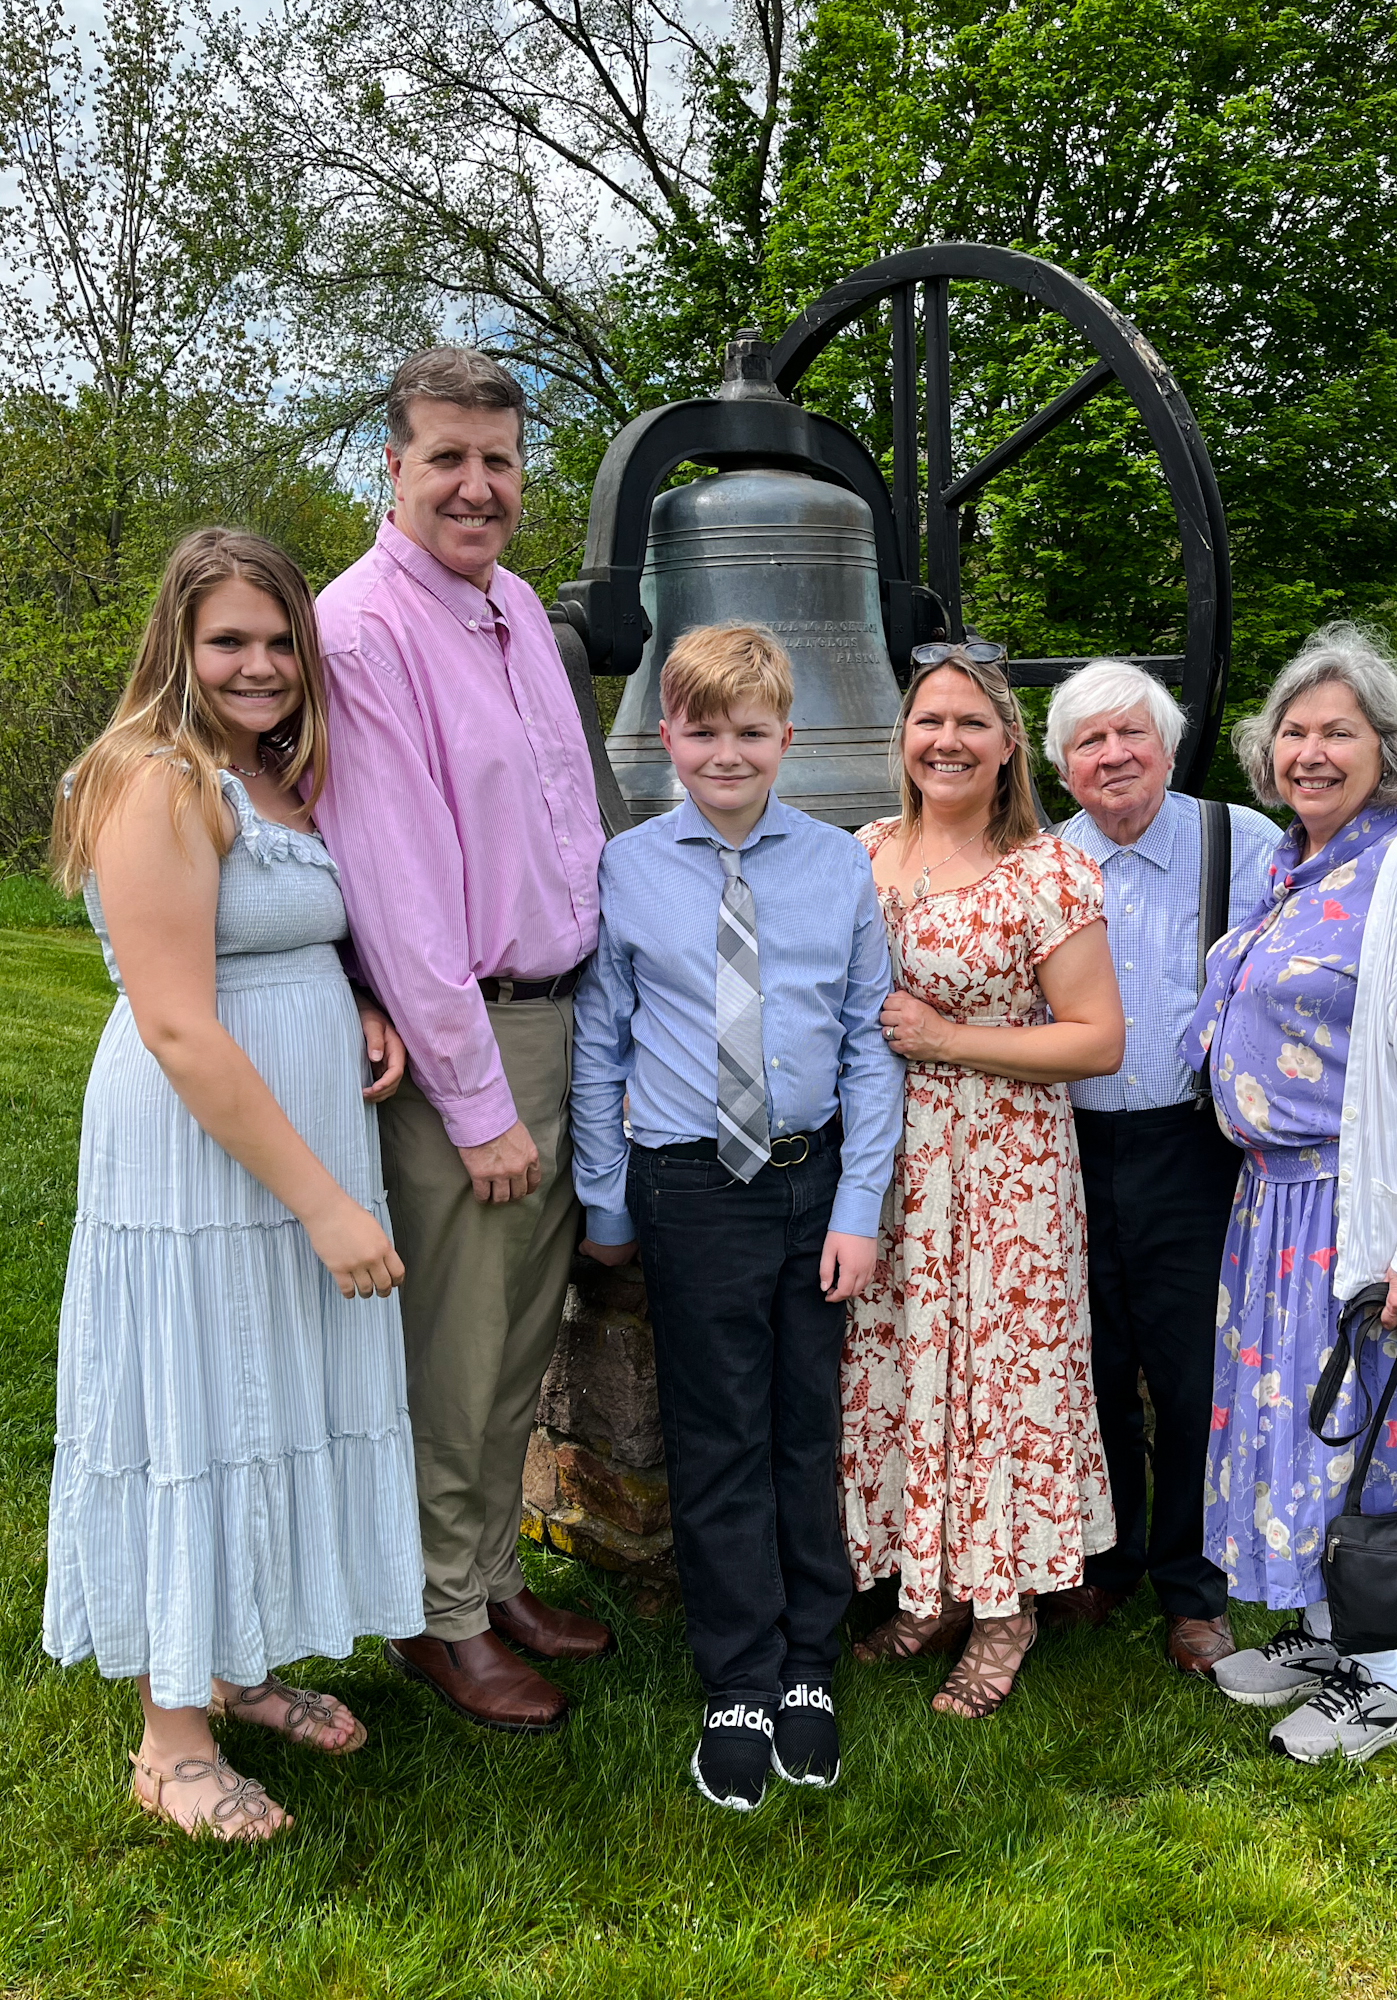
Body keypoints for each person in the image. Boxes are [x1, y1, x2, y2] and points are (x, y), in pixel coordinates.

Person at [44, 528, 425, 1841]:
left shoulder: (265, 775)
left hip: (291, 1127)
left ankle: (230, 1659)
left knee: (267, 1396)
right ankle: (170, 1740)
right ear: (177, 646)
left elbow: (276, 940)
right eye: (230, 642)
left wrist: (362, 1001)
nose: (259, 665)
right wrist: (326, 1202)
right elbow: (181, 1027)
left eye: (279, 642)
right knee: (196, 1410)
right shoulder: (154, 780)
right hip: (205, 1160)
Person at [313, 347, 611, 1736]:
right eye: (445, 458)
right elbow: (400, 889)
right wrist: (477, 1099)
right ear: (392, 465)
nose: (476, 486)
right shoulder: (362, 631)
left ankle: (488, 1575)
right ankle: (435, 1619)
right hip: (466, 1046)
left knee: (514, 1349)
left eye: (496, 460)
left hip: (556, 1022)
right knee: (456, 1347)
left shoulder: (515, 613)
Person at [571, 623, 903, 1811]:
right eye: (701, 728)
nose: (725, 750)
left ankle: (808, 1662)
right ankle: (737, 1679)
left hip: (811, 1185)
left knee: (804, 1432)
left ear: (785, 739)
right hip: (687, 1186)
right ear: (666, 736)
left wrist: (859, 1203)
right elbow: (600, 1036)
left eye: (748, 730)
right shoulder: (627, 870)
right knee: (716, 1440)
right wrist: (605, 1199)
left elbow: (870, 1042)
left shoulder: (835, 867)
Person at [1183, 622, 1397, 1763]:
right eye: (1293, 729)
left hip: (1363, 1210)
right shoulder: (1297, 860)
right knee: (1299, 1435)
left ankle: (1379, 1681)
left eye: (1339, 731)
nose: (1310, 749)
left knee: (1370, 1440)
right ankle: (1328, 1631)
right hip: (1277, 1207)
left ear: (1386, 746)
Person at [842, 643, 1125, 1719]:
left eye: (970, 722)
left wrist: (950, 1037)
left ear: (1008, 744)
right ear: (901, 738)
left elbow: (1097, 1039)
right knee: (914, 1367)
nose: (946, 740)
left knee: (1000, 1378)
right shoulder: (862, 852)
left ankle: (1007, 1609)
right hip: (892, 1163)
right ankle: (937, 1583)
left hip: (1003, 1165)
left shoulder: (1046, 871)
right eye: (928, 721)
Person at [1043, 660, 1279, 1676]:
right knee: (1086, 1365)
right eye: (1087, 743)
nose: (1111, 756)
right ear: (1061, 767)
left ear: (1167, 745)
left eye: (1128, 735)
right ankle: (1104, 1559)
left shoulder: (1244, 842)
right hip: (1068, 1145)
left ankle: (1191, 1587)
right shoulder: (1043, 861)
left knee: (1188, 1376)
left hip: (1193, 1145)